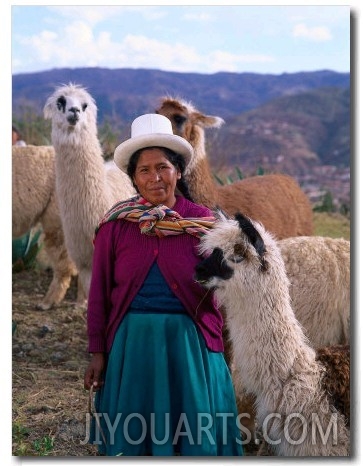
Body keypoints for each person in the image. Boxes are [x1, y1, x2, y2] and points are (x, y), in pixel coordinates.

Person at [83, 114, 244, 456]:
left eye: (163, 167)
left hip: (190, 348)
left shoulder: (207, 225)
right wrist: (97, 351)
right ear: (134, 179)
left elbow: (231, 293)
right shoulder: (116, 226)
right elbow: (99, 295)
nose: (155, 177)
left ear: (179, 171)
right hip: (132, 348)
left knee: (194, 437)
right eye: (144, 170)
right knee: (134, 439)